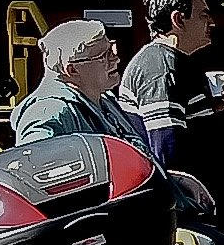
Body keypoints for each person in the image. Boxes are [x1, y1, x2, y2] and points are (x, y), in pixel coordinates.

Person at [119, 0, 224, 169]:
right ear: (178, 19)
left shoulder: (175, 61)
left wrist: (213, 106)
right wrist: (183, 190)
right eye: (203, 15)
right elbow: (165, 146)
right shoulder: (159, 68)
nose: (212, 23)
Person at [10, 17, 152, 148]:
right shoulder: (48, 111)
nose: (116, 59)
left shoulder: (105, 99)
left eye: (112, 49)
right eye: (104, 55)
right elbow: (34, 164)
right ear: (72, 70)